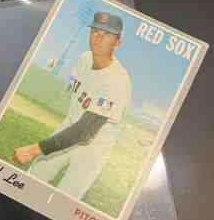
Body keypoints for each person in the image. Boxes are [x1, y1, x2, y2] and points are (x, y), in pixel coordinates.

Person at [13, 11, 132, 200]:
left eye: (107, 34)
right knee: (32, 180)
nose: (98, 37)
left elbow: (85, 131)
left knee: (65, 199)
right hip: (69, 127)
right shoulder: (84, 59)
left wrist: (33, 149)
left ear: (118, 42)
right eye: (95, 31)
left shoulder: (117, 81)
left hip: (93, 146)